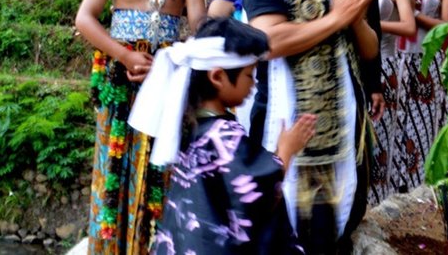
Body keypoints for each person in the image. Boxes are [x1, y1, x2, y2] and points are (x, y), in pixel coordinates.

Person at [243, 0, 381, 254]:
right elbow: (270, 41)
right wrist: (335, 19)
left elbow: (370, 51)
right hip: (283, 123)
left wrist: (353, 19)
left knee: (340, 223)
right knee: (281, 226)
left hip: (343, 125)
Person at [75, 0, 206, 254]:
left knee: (158, 165)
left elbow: (198, 30)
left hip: (164, 83)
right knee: (112, 161)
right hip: (118, 79)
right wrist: (125, 54)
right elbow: (85, 19)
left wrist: (173, 57)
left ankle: (150, 246)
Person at [126, 17, 317, 254]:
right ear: (217, 77)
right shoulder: (223, 134)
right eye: (249, 75)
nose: (254, 84)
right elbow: (259, 191)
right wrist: (286, 150)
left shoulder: (187, 124)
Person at [355, 0, 416, 205]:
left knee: (384, 131)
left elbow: (408, 26)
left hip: (388, 67)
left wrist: (372, 26)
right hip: (354, 67)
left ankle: (383, 193)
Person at [396, 0, 448, 192]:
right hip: (399, 59)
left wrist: (416, 17)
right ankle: (399, 178)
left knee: (424, 119)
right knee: (400, 117)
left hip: (427, 60)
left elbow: (447, 27)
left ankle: (423, 178)